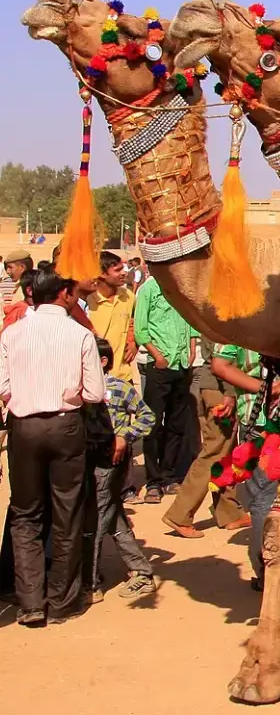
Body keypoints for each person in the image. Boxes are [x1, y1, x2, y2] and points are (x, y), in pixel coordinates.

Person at [0, 269, 106, 626]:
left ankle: (30, 602)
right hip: (66, 426)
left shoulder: (12, 334)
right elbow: (94, 393)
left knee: (26, 512)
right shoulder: (80, 334)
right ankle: (61, 601)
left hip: (25, 427)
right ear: (62, 294)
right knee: (67, 511)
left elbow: (3, 386)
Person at [213, 341, 280, 589]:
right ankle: (269, 571)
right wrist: (268, 389)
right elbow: (220, 365)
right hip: (265, 421)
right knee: (268, 497)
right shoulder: (237, 318)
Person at [161, 335, 249, 537]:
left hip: (212, 387)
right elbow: (223, 354)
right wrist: (229, 392)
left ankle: (229, 513)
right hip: (220, 389)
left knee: (226, 454)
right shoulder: (225, 316)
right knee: (213, 453)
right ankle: (179, 514)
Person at [90, 337, 157, 600]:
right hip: (89, 462)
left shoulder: (118, 387)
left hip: (110, 463)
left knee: (97, 519)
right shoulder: (81, 389)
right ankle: (141, 571)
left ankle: (91, 582)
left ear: (103, 361)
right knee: (113, 517)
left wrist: (124, 435)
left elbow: (148, 417)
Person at [132, 267, 197, 504]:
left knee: (177, 423)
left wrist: (191, 348)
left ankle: (170, 476)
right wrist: (157, 356)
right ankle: (153, 481)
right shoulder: (148, 289)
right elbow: (141, 329)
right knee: (152, 423)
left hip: (181, 364)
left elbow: (190, 320)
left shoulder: (179, 289)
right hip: (159, 365)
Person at [85, 251, 137, 385]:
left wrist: (134, 343)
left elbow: (135, 322)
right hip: (94, 377)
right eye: (117, 270)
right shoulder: (88, 300)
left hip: (123, 377)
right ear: (102, 274)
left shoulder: (128, 296)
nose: (124, 273)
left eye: (123, 268)